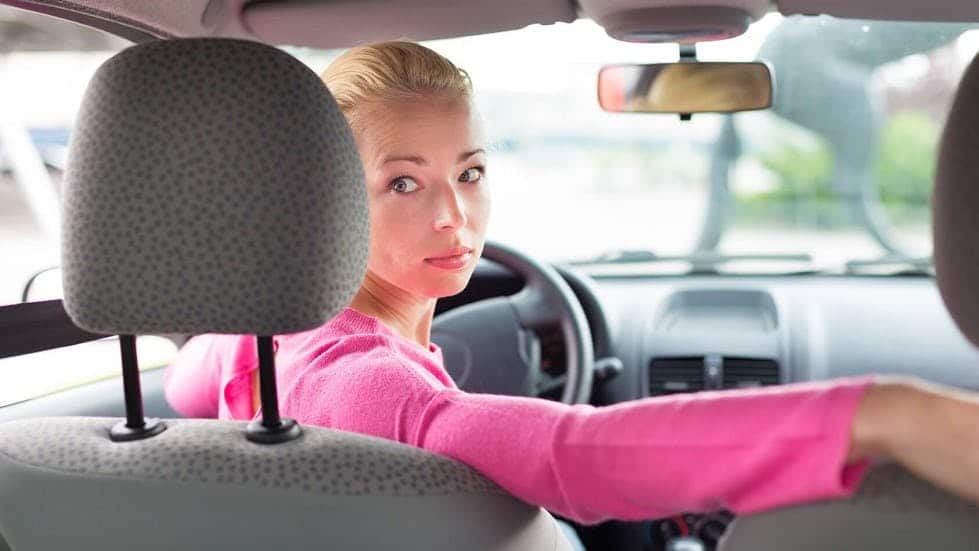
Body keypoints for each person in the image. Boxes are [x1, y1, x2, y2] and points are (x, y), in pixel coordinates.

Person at [164, 41, 979, 532]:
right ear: (327, 198)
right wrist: (885, 413)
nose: (455, 216)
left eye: (471, 172)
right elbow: (572, 454)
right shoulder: (367, 384)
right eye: (404, 184)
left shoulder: (254, 347)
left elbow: (187, 372)